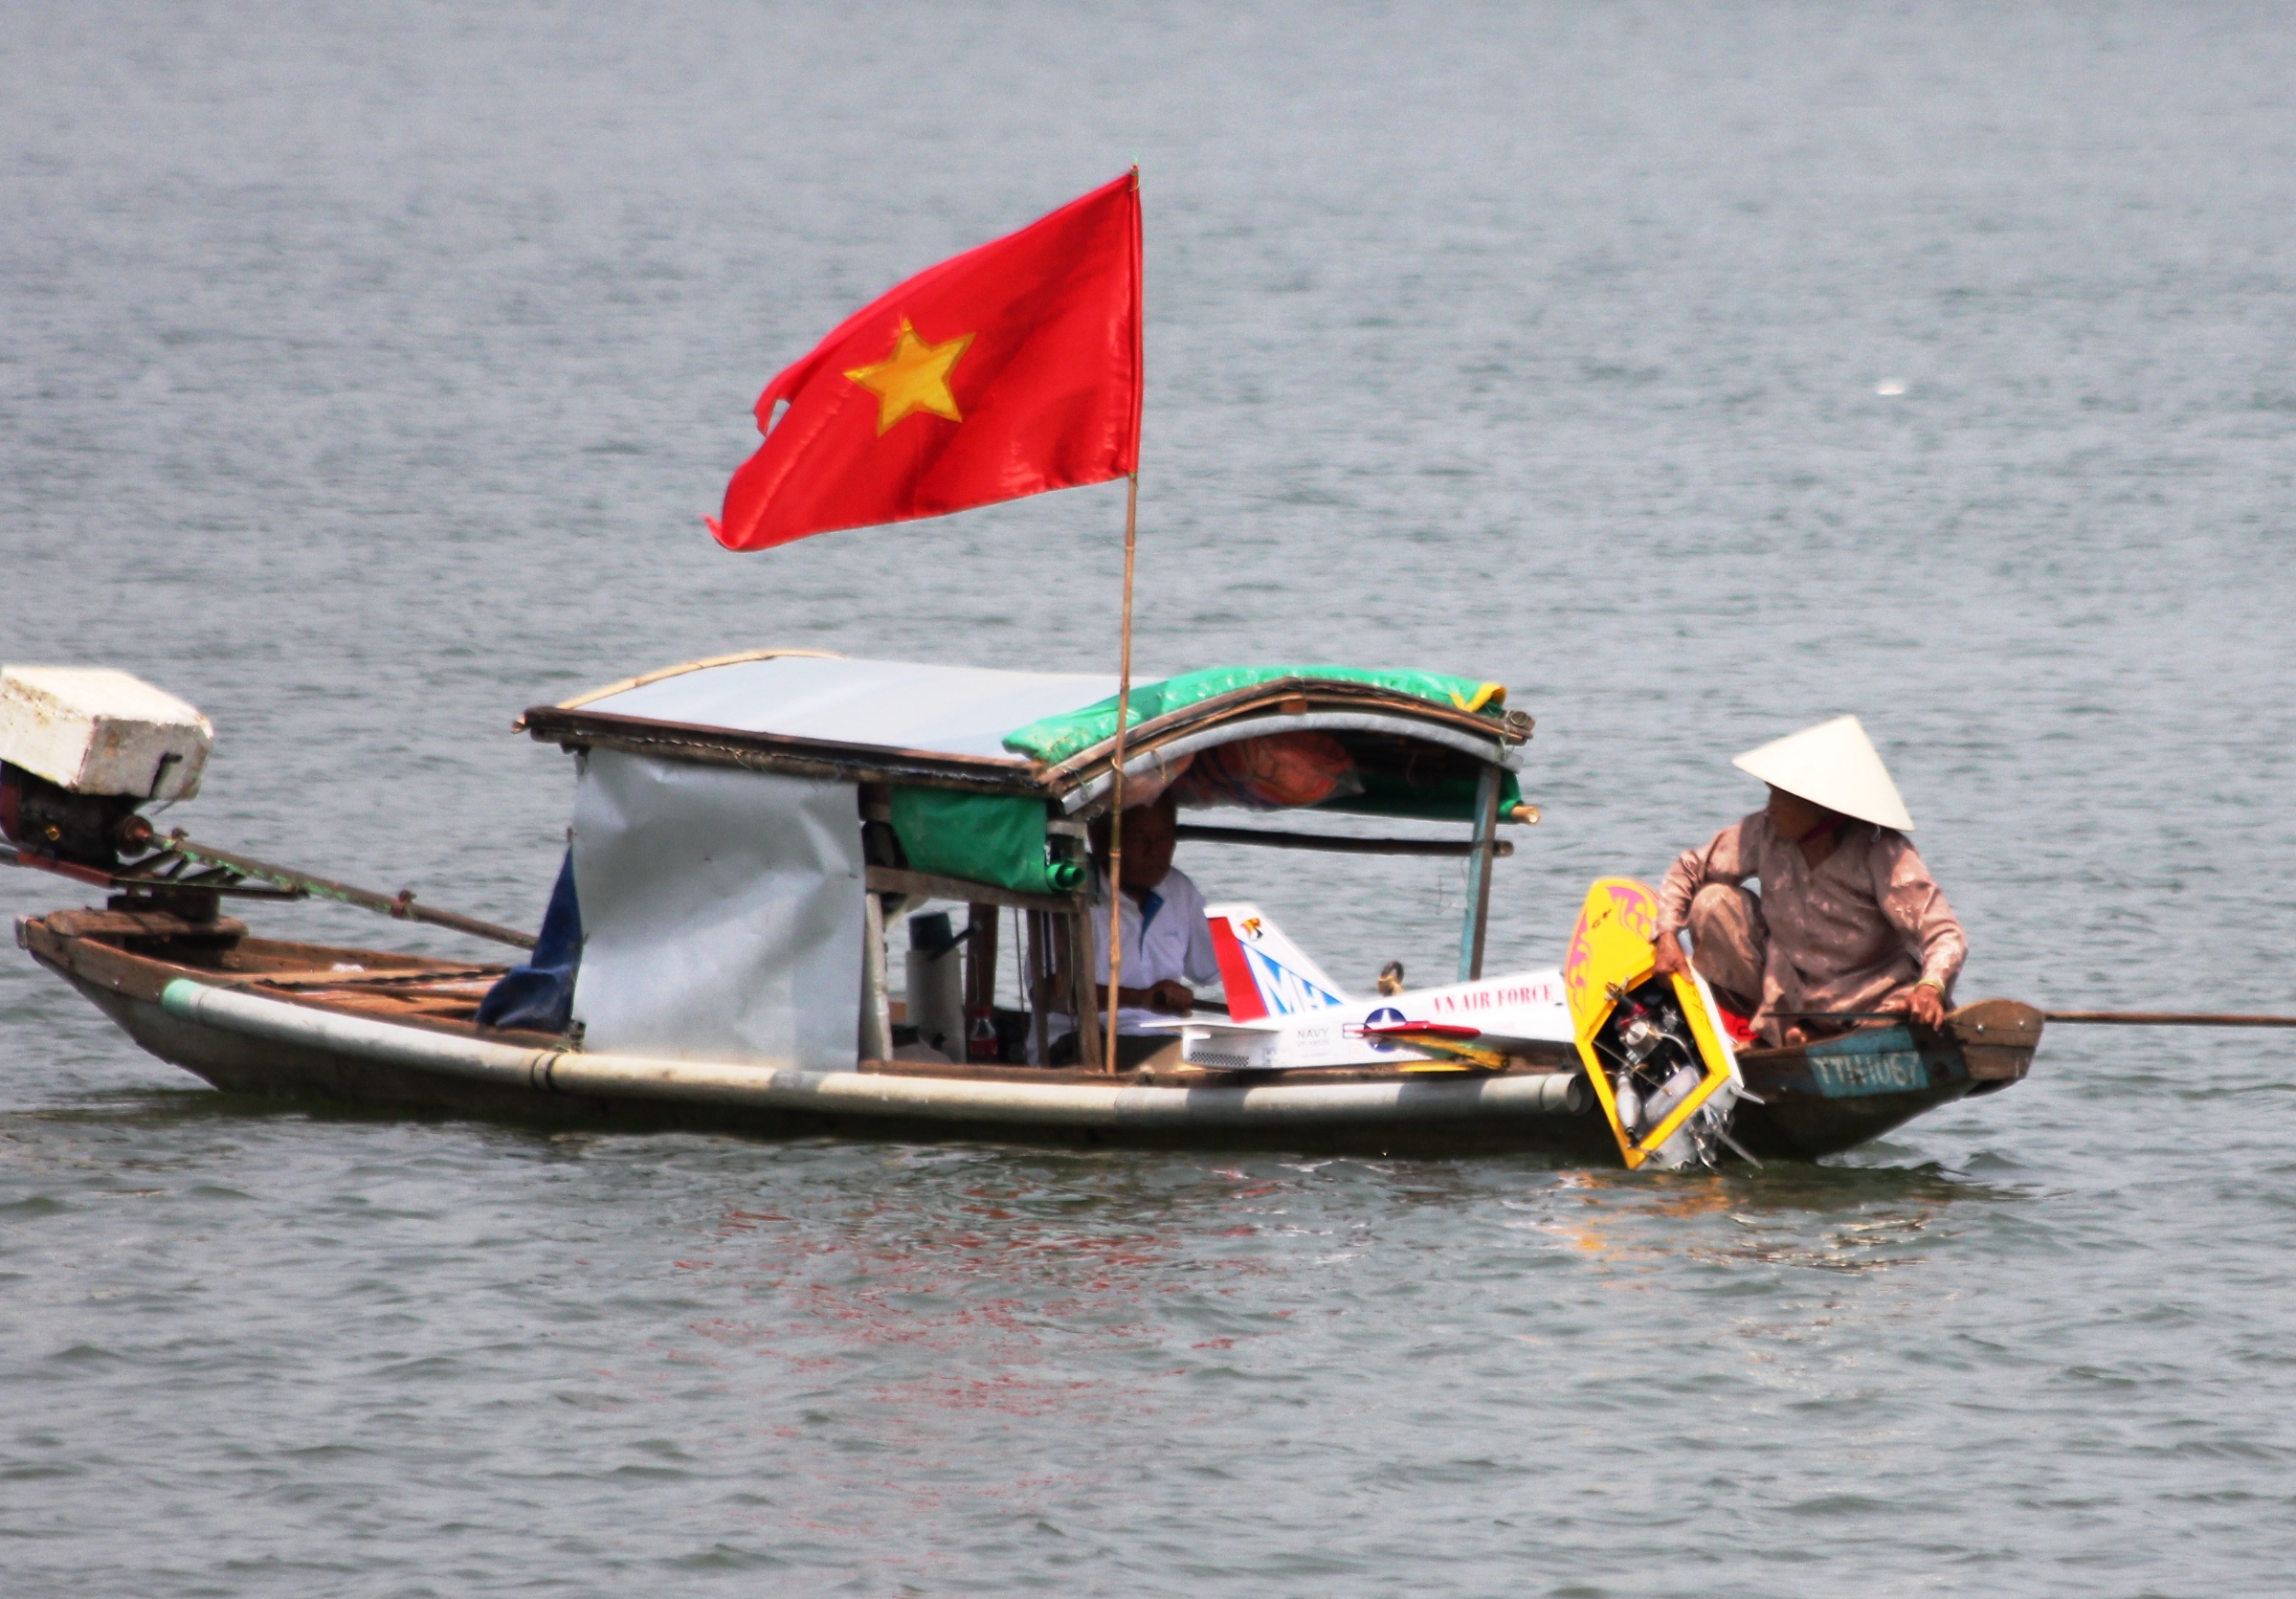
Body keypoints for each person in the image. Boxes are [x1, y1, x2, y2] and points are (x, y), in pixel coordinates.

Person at [1650, 716, 1966, 1047]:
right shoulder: (1764, 834)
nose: (1770, 808)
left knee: (1894, 1025)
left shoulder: (1884, 855)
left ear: (1819, 806)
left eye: (1779, 798)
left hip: (1873, 1004)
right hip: (1791, 996)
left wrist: (1931, 988)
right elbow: (1690, 868)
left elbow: (1945, 934)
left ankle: (1820, 1038)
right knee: (1712, 902)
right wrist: (1667, 934)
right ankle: (1786, 1031)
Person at [1047, 791, 1221, 1068]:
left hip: (1163, 1038)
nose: (1155, 851)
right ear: (1099, 840)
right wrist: (1140, 999)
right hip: (1079, 1043)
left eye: (1165, 838)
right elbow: (1050, 994)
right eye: (1139, 839)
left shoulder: (1180, 891)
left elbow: (1212, 969)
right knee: (1192, 1070)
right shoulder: (1072, 894)